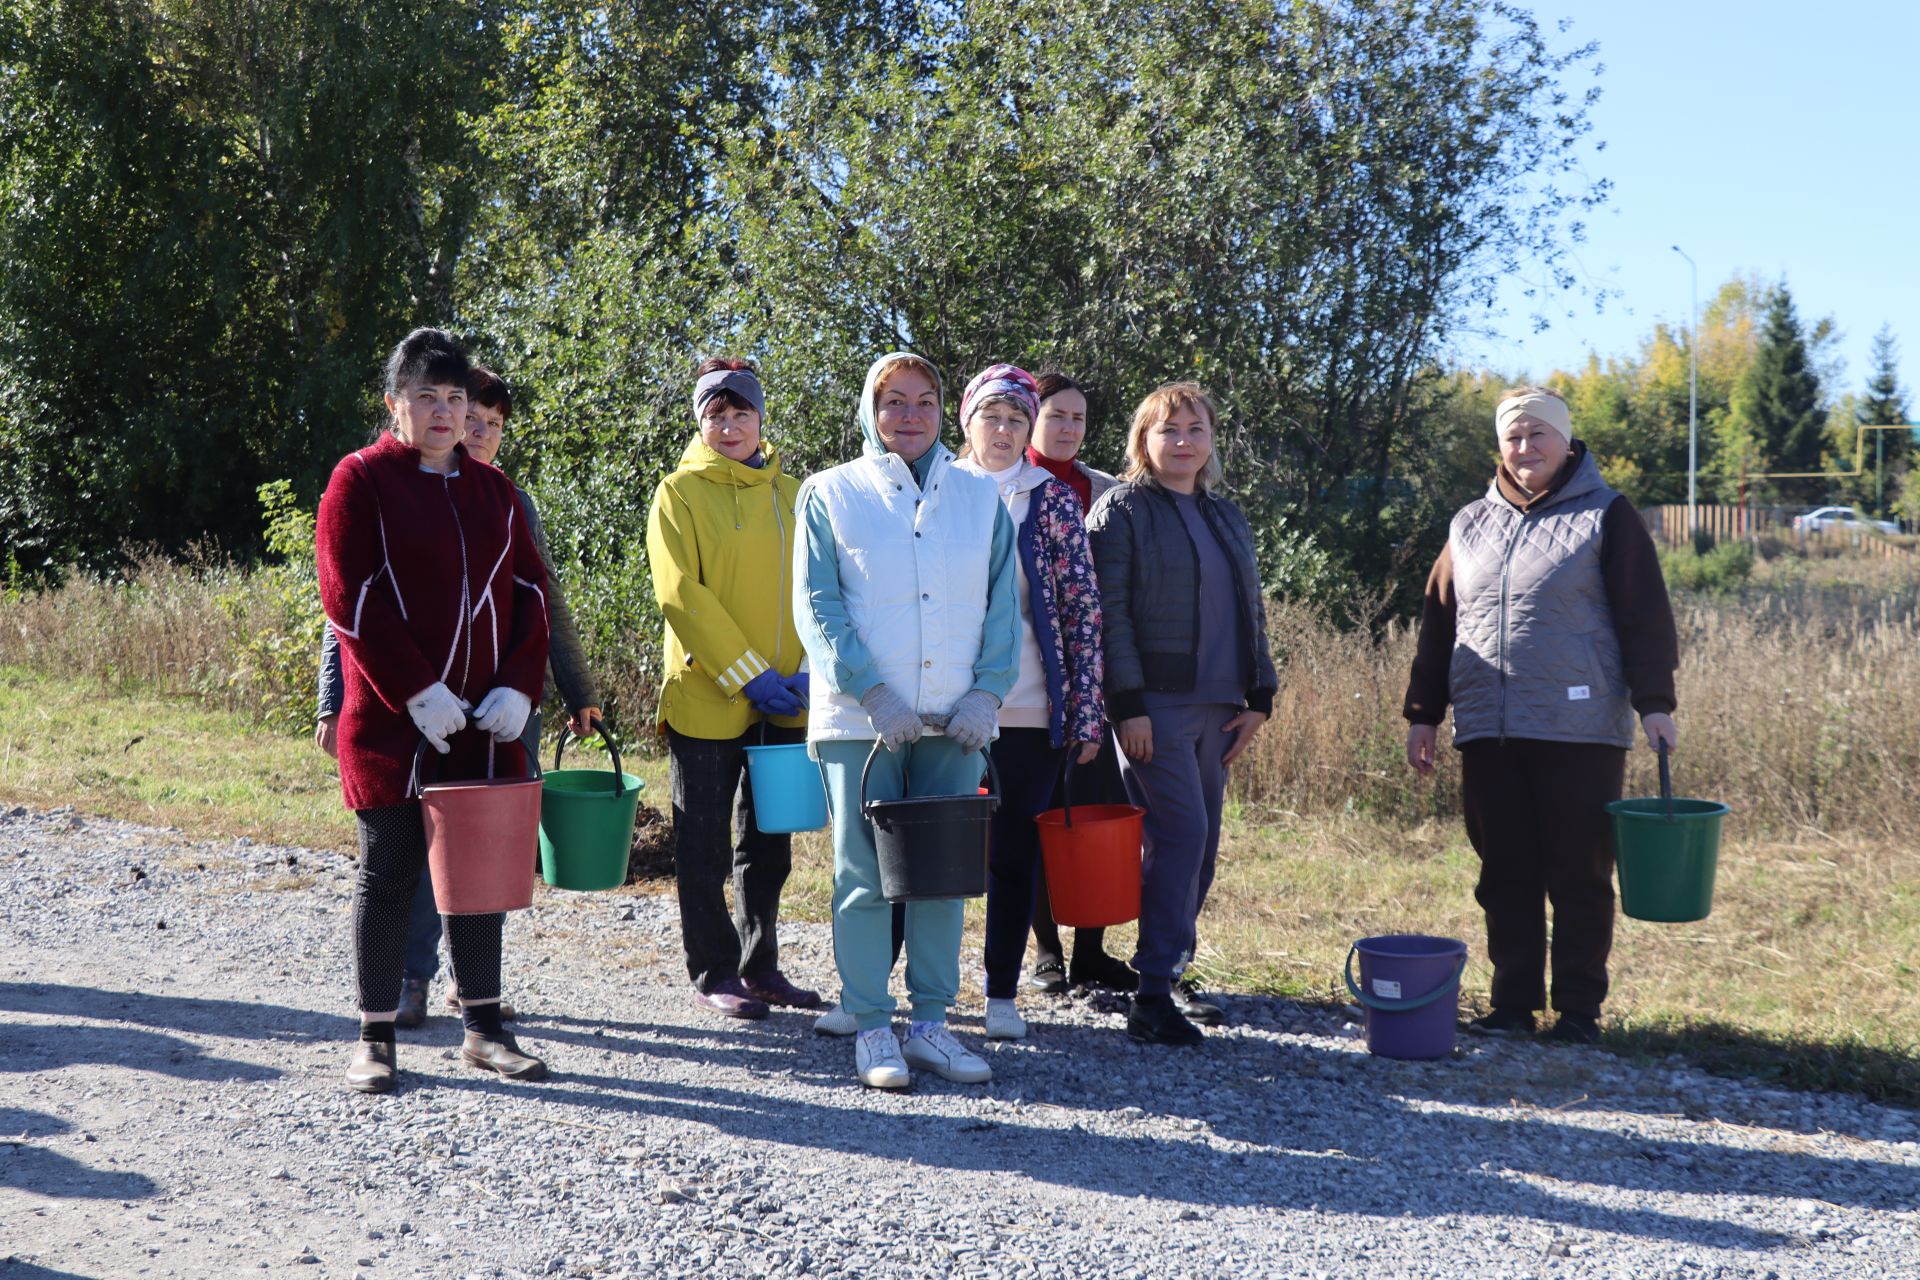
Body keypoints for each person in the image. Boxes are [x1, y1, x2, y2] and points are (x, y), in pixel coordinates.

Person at [316, 365, 601, 1028]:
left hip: (500, 707)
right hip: (409, 710)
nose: (475, 431)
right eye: (465, 416)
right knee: (406, 856)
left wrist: (564, 688)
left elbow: (541, 597)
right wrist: (332, 701)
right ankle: (408, 979)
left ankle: (475, 994)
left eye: (490, 424)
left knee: (483, 855)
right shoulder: (376, 486)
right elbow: (347, 603)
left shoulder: (504, 497)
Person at [1402, 385, 1679, 1045]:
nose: (1525, 448)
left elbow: (1645, 617)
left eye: (1538, 435)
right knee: (1504, 873)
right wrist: (1422, 714)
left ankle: (1579, 1010)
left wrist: (1655, 705)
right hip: (1488, 730)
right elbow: (1439, 624)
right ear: (1500, 446)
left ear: (1565, 441)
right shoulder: (1468, 524)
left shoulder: (1608, 516)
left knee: (1579, 872)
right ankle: (1512, 1004)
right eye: (1513, 437)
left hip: (1578, 730)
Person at [793, 351, 1019, 1088]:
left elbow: (1001, 609)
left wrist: (988, 693)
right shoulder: (831, 493)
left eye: (924, 400)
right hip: (862, 722)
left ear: (943, 410)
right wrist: (871, 692)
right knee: (862, 875)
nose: (910, 415)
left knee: (943, 876)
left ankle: (929, 1026)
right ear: (870, 409)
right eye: (894, 401)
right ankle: (870, 1027)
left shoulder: (978, 497)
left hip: (955, 720)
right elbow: (817, 605)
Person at [1086, 382, 1277, 1046]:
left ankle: (1170, 971)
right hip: (1155, 711)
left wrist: (1261, 697)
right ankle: (1152, 993)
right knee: (1181, 838)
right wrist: (1126, 707)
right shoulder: (1121, 512)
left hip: (1221, 706)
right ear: (1144, 441)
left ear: (1212, 441)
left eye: (1196, 429)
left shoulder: (1227, 515)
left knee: (1201, 851)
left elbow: (1252, 610)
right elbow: (1106, 618)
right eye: (1169, 430)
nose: (1184, 441)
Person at [646, 357, 820, 1021]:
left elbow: (818, 589)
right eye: (715, 414)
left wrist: (810, 673)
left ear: (759, 417)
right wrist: (749, 673)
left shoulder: (797, 493)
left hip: (789, 701)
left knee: (769, 845)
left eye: (739, 411)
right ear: (700, 422)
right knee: (704, 845)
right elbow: (680, 594)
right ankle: (714, 970)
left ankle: (761, 965)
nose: (728, 425)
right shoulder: (678, 493)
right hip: (709, 698)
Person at [951, 364, 1106, 1040]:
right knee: (936, 851)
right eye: (993, 416)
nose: (1005, 430)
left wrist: (1087, 708)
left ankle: (1000, 994)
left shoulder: (1051, 500)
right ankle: (902, 992)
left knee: (1012, 855)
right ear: (967, 421)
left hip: (1030, 705)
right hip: (943, 707)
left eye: (1017, 419)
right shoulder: (938, 490)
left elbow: (1081, 610)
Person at [1019, 372, 1136, 994]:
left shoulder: (1108, 493)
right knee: (1036, 813)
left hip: (1092, 682)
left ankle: (1092, 948)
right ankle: (1045, 953)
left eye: (1079, 419)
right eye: (1057, 415)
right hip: (1027, 681)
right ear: (1029, 418)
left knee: (1094, 812)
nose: (1068, 428)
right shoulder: (1003, 484)